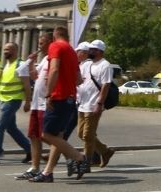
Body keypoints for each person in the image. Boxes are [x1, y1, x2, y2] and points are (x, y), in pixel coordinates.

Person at [30, 26, 89, 183]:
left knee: (46, 134)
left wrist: (49, 93)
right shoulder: (71, 50)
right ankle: (48, 173)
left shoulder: (56, 46)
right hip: (70, 98)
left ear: (55, 35)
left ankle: (78, 157)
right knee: (57, 136)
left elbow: (54, 69)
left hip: (59, 96)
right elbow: (78, 79)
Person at [0, 41, 31, 166]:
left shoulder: (21, 65)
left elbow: (26, 85)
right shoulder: (6, 65)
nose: (5, 52)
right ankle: (31, 150)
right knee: (11, 128)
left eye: (8, 49)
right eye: (4, 49)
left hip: (13, 100)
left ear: (15, 51)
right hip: (3, 100)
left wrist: (27, 102)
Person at [17, 31, 51, 180]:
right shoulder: (44, 59)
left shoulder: (53, 59)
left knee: (48, 136)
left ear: (51, 42)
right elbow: (34, 76)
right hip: (37, 104)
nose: (39, 46)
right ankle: (35, 167)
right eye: (39, 44)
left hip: (45, 103)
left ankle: (72, 155)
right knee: (34, 136)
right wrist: (31, 62)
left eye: (42, 43)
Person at [77, 39, 115, 171]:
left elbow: (106, 85)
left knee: (87, 135)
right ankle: (105, 151)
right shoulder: (87, 65)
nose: (90, 51)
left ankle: (86, 164)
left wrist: (99, 103)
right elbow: (80, 80)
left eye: (92, 50)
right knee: (81, 134)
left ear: (99, 51)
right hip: (82, 104)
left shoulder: (105, 65)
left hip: (94, 104)